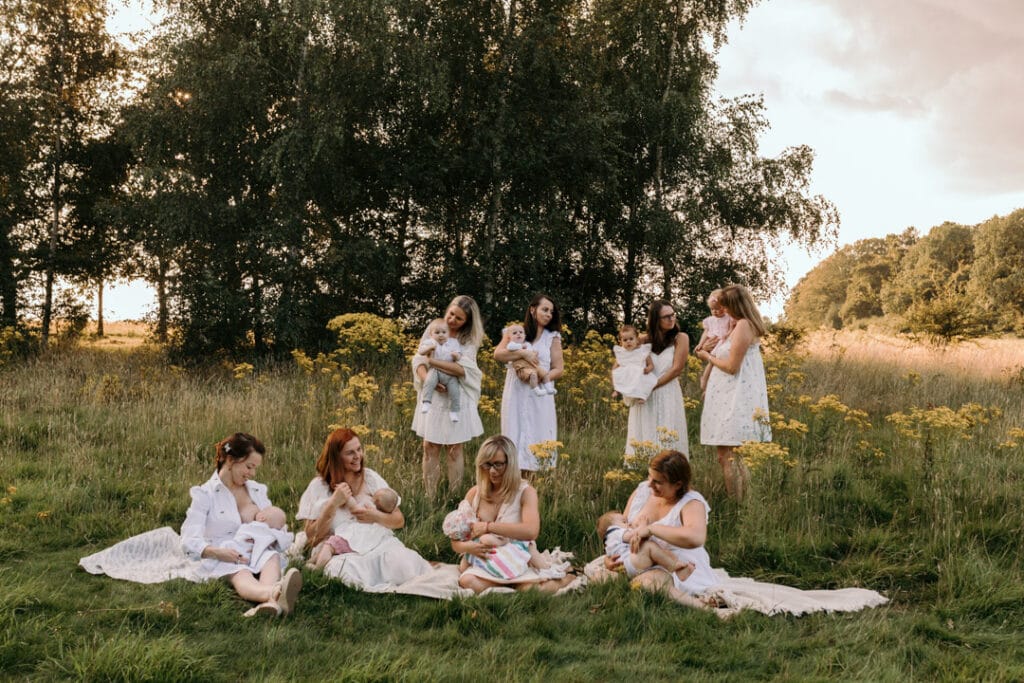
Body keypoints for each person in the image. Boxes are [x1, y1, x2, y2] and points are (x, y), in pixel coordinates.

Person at [180, 433, 302, 617]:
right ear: (230, 460)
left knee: (272, 557)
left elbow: (271, 523)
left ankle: (269, 605)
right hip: (226, 553)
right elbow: (189, 539)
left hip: (256, 547)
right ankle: (274, 593)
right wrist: (217, 552)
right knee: (240, 572)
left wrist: (270, 538)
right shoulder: (205, 495)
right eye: (249, 466)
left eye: (255, 468)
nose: (252, 474)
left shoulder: (256, 490)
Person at [297, 428, 432, 591]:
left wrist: (374, 516)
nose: (358, 456)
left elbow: (399, 520)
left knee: (404, 564)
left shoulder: (370, 478)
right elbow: (312, 537)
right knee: (340, 570)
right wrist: (332, 504)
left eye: (359, 449)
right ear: (336, 457)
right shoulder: (319, 487)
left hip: (376, 542)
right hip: (341, 549)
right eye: (350, 453)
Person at [452, 435, 576, 593]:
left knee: (531, 589)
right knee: (467, 581)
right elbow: (455, 540)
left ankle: (565, 579)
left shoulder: (526, 492)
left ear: (510, 464)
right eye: (487, 464)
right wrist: (470, 548)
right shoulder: (474, 494)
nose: (492, 471)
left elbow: (531, 532)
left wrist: (489, 527)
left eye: (498, 465)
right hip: (486, 562)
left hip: (518, 558)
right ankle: (514, 588)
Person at [603, 450, 719, 610]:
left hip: (677, 564)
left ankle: (704, 608)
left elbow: (696, 537)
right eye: (650, 476)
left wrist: (652, 529)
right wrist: (611, 559)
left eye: (657, 481)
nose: (650, 484)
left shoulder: (691, 502)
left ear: (678, 484)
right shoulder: (644, 491)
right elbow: (621, 530)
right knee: (599, 575)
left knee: (647, 585)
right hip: (640, 559)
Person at [695, 284, 771, 500]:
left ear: (735, 306)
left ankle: (737, 504)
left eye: (726, 307)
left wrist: (706, 358)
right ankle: (740, 501)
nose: (723, 311)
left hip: (735, 397)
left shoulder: (744, 326)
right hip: (727, 395)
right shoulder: (736, 326)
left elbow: (731, 366)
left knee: (729, 455)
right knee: (728, 455)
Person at [412, 295, 486, 497]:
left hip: (456, 396)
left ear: (467, 323)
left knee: (454, 448)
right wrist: (428, 378)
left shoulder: (468, 341)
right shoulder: (434, 327)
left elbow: (463, 370)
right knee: (430, 446)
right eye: (451, 314)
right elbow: (419, 358)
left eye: (459, 318)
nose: (452, 320)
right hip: (434, 395)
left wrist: (433, 363)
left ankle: (454, 498)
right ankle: (430, 497)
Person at [495, 295, 563, 475]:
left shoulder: (552, 337)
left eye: (551, 312)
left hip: (539, 393)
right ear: (533, 310)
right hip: (516, 392)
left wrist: (542, 377)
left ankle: (533, 485)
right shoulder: (515, 331)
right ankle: (512, 481)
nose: (548, 314)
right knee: (514, 433)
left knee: (537, 435)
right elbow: (499, 355)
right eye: (545, 310)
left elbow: (559, 368)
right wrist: (524, 355)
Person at [624, 300, 689, 461]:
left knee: (668, 435)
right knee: (645, 435)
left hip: (667, 392)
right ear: (655, 320)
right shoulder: (642, 340)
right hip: (645, 397)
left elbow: (676, 369)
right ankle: (646, 477)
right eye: (665, 317)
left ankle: (671, 477)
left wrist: (651, 386)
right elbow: (625, 361)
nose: (671, 319)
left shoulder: (680, 338)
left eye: (673, 315)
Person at [443, 499, 552, 578]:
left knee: (526, 549)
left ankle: (543, 568)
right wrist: (504, 539)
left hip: (497, 566)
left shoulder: (469, 550)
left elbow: (463, 568)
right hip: (505, 562)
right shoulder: (483, 539)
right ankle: (546, 569)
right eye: (475, 519)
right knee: (525, 546)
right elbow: (495, 542)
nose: (478, 518)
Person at [307, 488, 400, 571]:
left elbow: (354, 508)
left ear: (376, 501)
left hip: (353, 539)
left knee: (329, 546)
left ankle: (318, 568)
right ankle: (310, 562)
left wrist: (347, 498)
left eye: (374, 495)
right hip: (364, 544)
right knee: (328, 544)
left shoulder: (370, 507)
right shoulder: (383, 519)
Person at [597, 510, 694, 582]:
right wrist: (643, 525)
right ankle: (673, 567)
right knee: (649, 546)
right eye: (624, 522)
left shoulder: (610, 541)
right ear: (611, 526)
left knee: (664, 553)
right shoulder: (614, 532)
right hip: (630, 562)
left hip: (629, 566)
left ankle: (680, 572)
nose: (628, 523)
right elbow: (632, 535)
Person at [418, 318, 463, 422]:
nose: (441, 335)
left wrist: (456, 355)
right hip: (435, 370)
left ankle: (454, 411)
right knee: (429, 382)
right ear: (431, 334)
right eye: (437, 332)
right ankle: (426, 402)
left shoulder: (453, 342)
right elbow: (421, 352)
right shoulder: (430, 342)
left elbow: (459, 356)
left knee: (455, 391)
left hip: (450, 374)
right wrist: (429, 348)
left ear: (449, 333)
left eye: (444, 332)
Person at [696, 289, 736, 395]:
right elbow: (706, 333)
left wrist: (726, 336)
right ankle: (704, 381)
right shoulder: (709, 320)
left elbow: (730, 331)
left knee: (712, 362)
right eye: (712, 309)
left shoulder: (729, 318)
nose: (715, 312)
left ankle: (705, 380)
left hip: (722, 342)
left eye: (718, 309)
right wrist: (701, 344)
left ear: (724, 307)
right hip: (712, 342)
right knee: (711, 362)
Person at [611, 324, 656, 406]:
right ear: (621, 342)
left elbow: (651, 365)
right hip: (627, 374)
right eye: (625, 340)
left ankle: (642, 396)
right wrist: (616, 371)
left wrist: (648, 369)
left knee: (644, 381)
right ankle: (617, 390)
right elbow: (616, 366)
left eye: (631, 339)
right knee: (618, 374)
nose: (628, 341)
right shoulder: (622, 353)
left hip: (639, 373)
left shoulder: (642, 351)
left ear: (637, 340)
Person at [505, 323, 555, 396]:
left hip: (533, 365)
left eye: (521, 332)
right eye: (514, 333)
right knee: (532, 375)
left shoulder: (527, 344)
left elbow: (531, 353)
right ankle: (537, 390)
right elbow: (510, 347)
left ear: (524, 335)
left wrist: (534, 353)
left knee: (545, 373)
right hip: (523, 367)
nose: (518, 334)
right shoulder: (511, 344)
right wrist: (520, 346)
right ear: (510, 337)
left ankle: (549, 388)